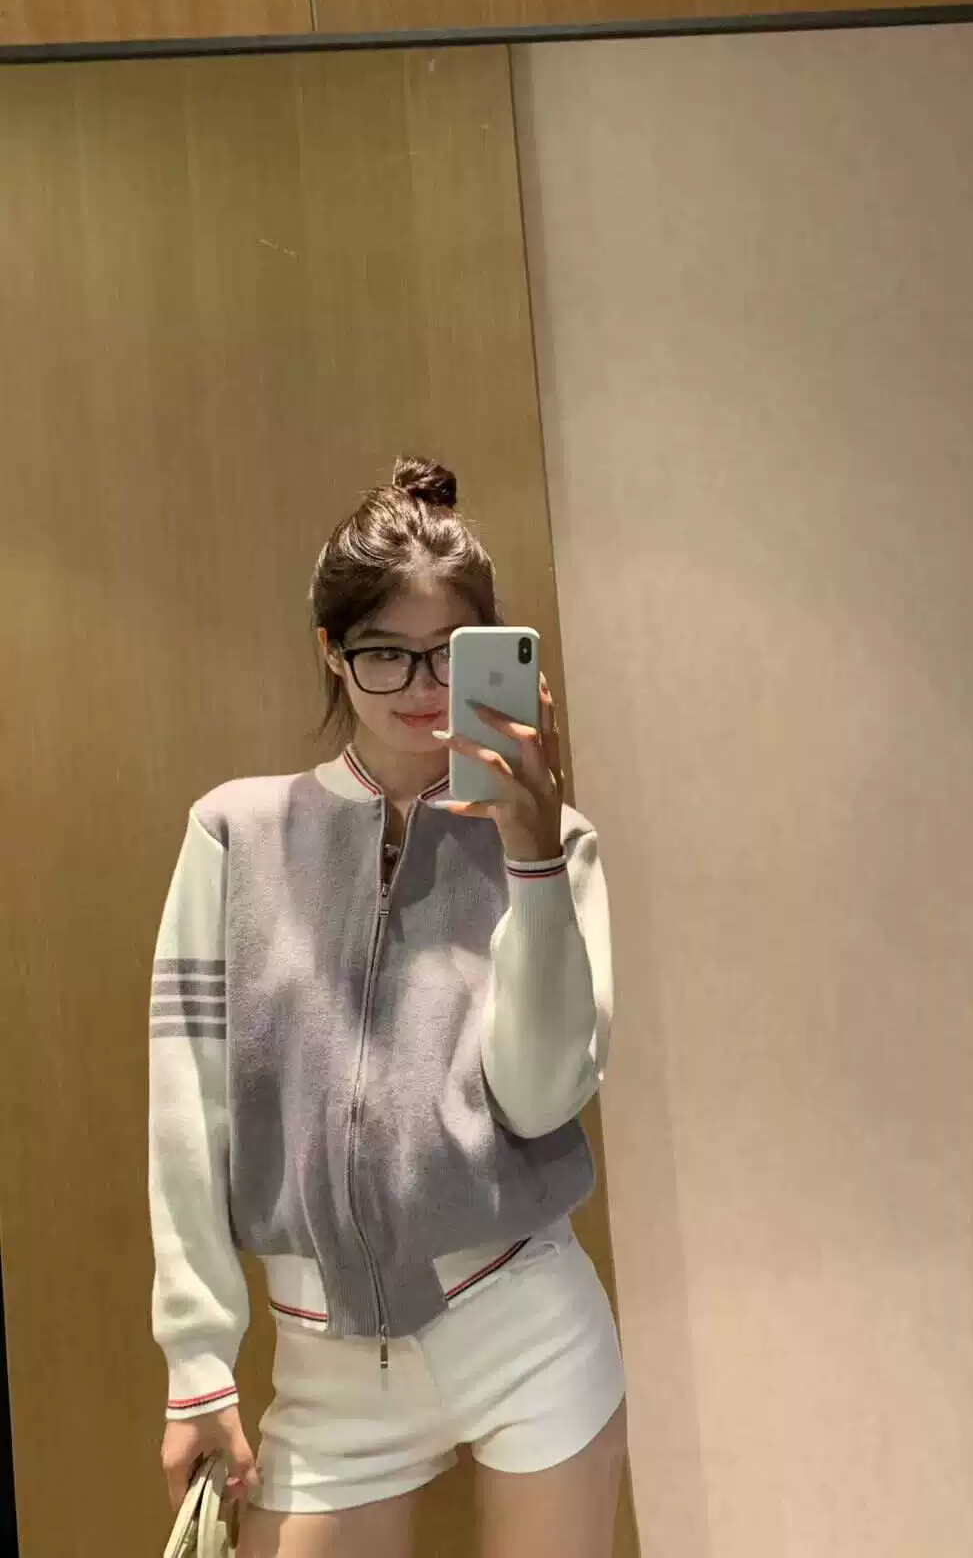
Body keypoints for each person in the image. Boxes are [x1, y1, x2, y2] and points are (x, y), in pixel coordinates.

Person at [148, 458, 626, 1558]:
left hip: (528, 1327)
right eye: (382, 652)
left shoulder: (559, 842)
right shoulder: (234, 837)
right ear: (332, 649)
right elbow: (187, 1107)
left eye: (447, 652)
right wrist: (197, 1359)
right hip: (326, 1382)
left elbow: (540, 1096)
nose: (418, 684)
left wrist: (532, 860)